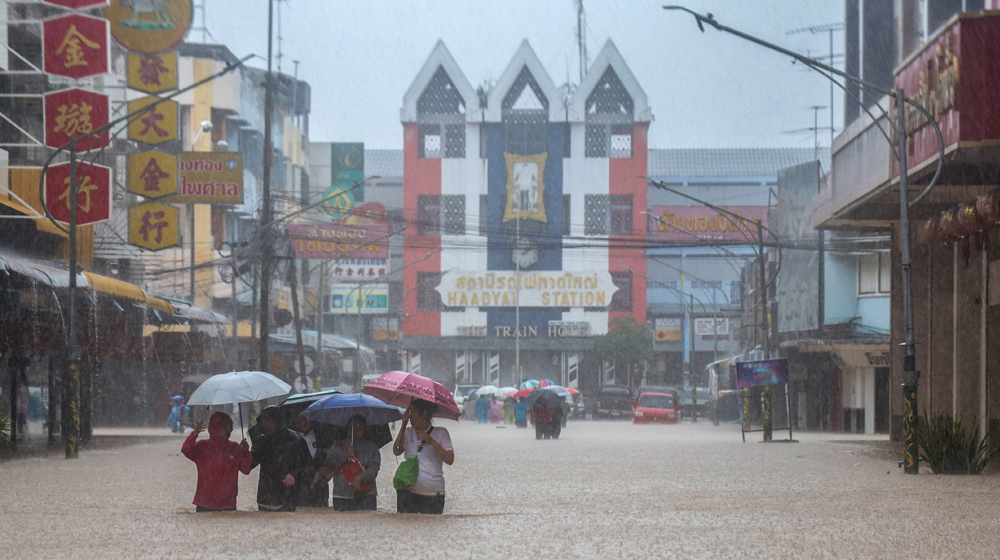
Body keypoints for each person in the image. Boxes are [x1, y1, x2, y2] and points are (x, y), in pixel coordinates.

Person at [392, 399, 454, 514]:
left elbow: (450, 459)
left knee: (431, 528)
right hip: (408, 492)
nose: (410, 416)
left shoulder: (441, 433)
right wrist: (403, 424)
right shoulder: (408, 432)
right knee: (406, 526)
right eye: (409, 412)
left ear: (424, 414)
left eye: (413, 412)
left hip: (433, 493)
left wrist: (432, 442)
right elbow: (396, 451)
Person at [181, 411, 252, 512]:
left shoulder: (235, 448)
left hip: (228, 504)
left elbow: (246, 469)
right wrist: (194, 433)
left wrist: (246, 453)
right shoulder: (203, 446)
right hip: (204, 503)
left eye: (230, 426)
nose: (228, 430)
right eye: (224, 426)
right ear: (215, 428)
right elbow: (186, 450)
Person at [250, 406, 311, 512]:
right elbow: (250, 464)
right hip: (265, 498)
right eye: (263, 422)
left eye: (268, 422)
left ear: (276, 422)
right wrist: (245, 452)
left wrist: (293, 475)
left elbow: (308, 466)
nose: (264, 425)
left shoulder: (295, 440)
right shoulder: (261, 441)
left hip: (288, 498)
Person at [314, 415, 381, 511]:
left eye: (358, 429)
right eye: (351, 429)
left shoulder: (372, 448)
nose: (354, 433)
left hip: (366, 496)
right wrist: (344, 455)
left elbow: (374, 469)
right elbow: (329, 466)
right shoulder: (337, 447)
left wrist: (361, 477)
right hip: (342, 496)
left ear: (364, 430)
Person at [294, 413, 330, 508]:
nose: (302, 423)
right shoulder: (290, 439)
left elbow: (330, 457)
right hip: (298, 487)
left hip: (320, 487)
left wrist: (327, 469)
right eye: (299, 419)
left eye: (306, 419)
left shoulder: (322, 437)